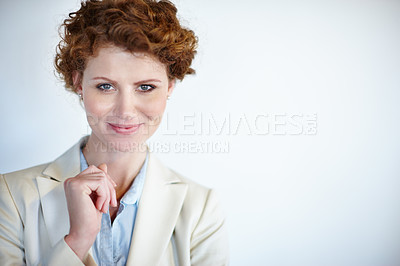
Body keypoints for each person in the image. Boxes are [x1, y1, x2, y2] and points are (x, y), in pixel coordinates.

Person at [0, 0, 229, 265]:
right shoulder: (11, 197)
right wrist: (77, 241)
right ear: (78, 82)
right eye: (106, 86)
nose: (125, 111)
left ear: (170, 87)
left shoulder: (201, 208)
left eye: (145, 87)